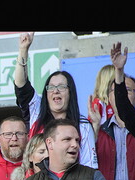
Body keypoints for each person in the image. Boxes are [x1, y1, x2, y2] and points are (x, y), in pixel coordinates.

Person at [13, 32, 98, 168]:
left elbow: (90, 168)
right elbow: (20, 85)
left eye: (62, 87)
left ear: (70, 93)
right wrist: (23, 50)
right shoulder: (36, 110)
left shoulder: (83, 125)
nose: (56, 91)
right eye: (51, 87)